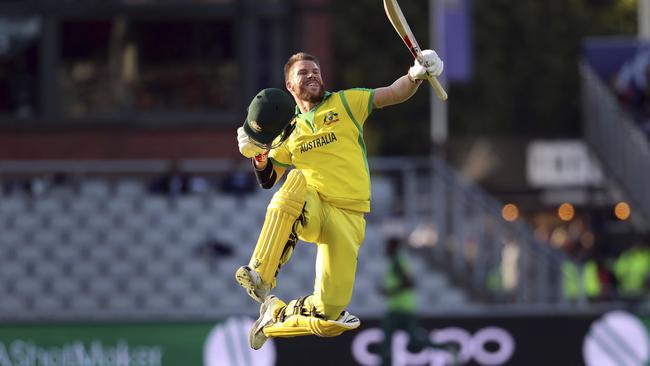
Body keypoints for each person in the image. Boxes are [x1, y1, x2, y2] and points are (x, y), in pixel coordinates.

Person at [235, 50, 444, 350]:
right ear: (289, 86)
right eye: (303, 73)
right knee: (295, 182)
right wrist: (258, 154)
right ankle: (261, 274)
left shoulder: (346, 102)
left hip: (350, 218)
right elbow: (269, 179)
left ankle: (274, 316)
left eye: (316, 71)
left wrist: (415, 75)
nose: (312, 75)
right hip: (314, 206)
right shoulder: (288, 130)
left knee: (329, 317)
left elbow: (394, 93)